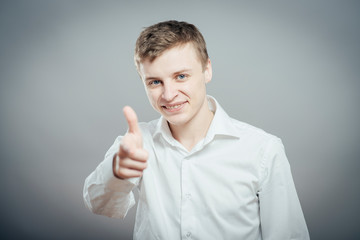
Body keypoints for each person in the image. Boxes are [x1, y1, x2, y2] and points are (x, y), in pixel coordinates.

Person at [83, 20, 310, 239]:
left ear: (207, 70)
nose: (169, 94)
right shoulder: (136, 142)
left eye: (181, 76)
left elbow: (289, 235)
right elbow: (98, 204)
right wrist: (117, 173)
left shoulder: (263, 149)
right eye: (154, 82)